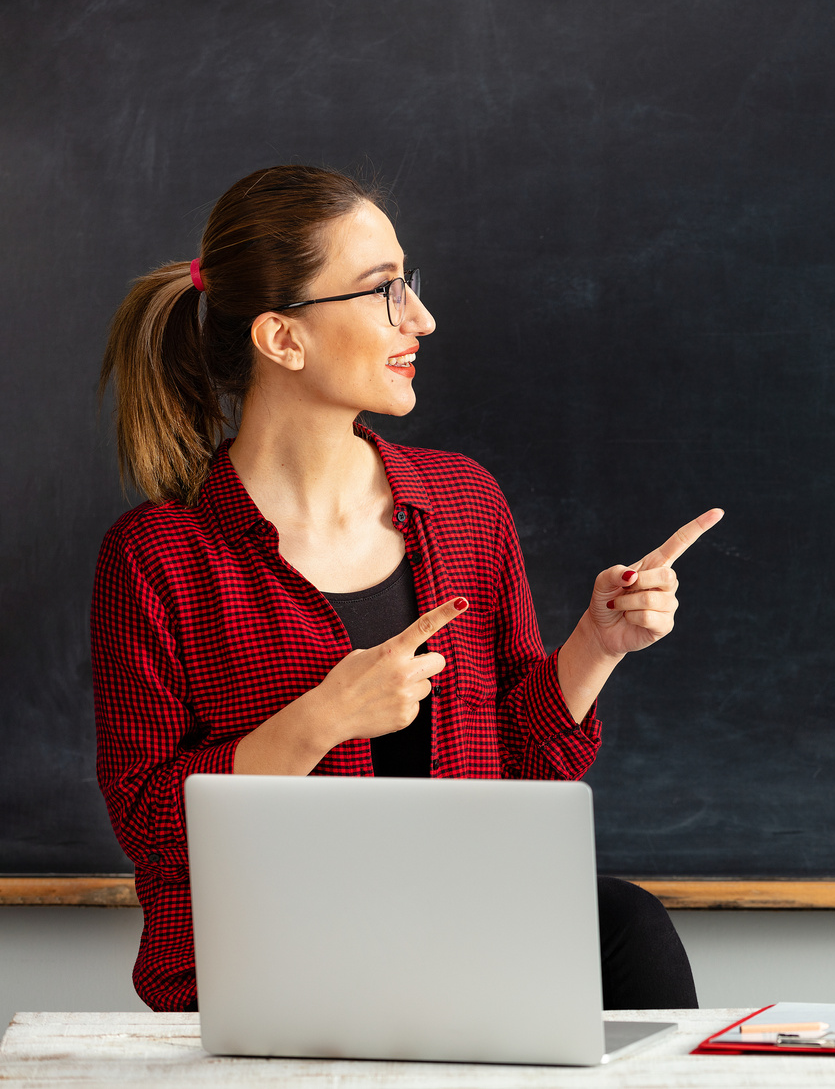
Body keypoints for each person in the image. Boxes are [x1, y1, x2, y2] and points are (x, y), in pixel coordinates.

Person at [92, 164, 719, 1013]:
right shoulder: (159, 556)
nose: (420, 318)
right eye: (382, 289)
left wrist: (596, 645)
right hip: (271, 965)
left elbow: (522, 779)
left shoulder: (464, 504)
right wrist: (323, 718)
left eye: (407, 283)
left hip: (462, 935)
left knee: (625, 924)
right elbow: (151, 826)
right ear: (283, 338)